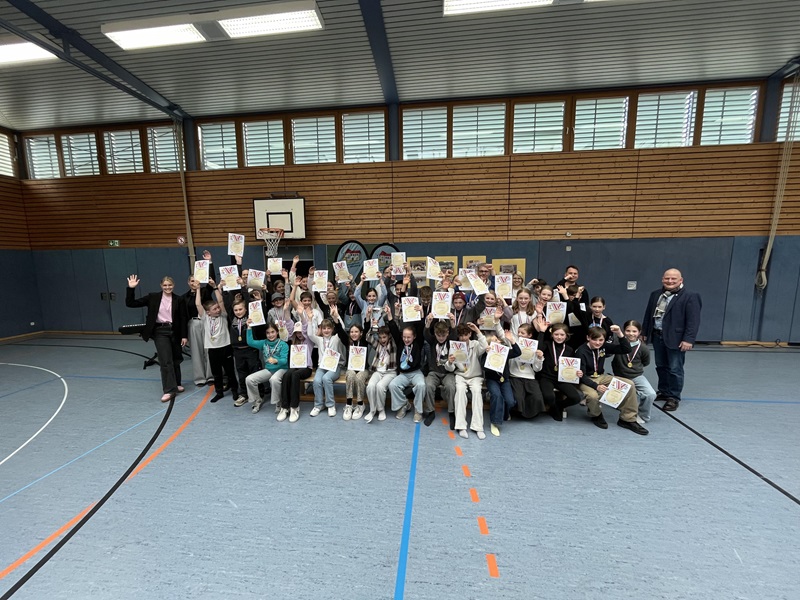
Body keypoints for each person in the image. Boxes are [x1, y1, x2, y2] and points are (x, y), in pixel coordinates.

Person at [641, 268, 702, 412]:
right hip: (657, 335)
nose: (670, 281)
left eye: (673, 279)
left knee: (675, 368)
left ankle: (674, 397)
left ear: (681, 280)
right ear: (662, 279)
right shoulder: (656, 294)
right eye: (667, 278)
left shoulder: (690, 296)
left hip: (676, 338)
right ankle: (664, 391)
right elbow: (648, 314)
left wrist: (689, 339)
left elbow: (693, 321)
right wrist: (644, 332)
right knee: (661, 366)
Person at [574, 326, 648, 435]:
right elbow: (582, 376)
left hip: (601, 376)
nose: (598, 343)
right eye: (595, 339)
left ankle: (627, 419)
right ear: (588, 338)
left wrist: (619, 333)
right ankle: (596, 415)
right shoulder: (581, 351)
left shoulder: (603, 346)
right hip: (585, 379)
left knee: (629, 384)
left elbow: (626, 349)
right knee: (593, 396)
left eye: (601, 340)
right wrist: (596, 386)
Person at [126, 275, 188, 402]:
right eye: (165, 285)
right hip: (160, 331)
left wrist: (184, 335)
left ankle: (176, 383)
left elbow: (183, 318)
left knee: (176, 358)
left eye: (170, 285)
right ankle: (169, 390)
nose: (167, 287)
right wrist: (131, 288)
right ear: (161, 286)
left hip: (174, 331)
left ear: (173, 285)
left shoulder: (179, 299)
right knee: (166, 360)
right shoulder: (153, 297)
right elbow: (131, 303)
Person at [196, 283, 239, 403]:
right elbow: (198, 304)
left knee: (230, 371)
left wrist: (215, 288)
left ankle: (235, 390)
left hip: (225, 347)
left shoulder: (223, 316)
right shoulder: (205, 318)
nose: (218, 309)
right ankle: (219, 392)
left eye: (218, 308)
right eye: (214, 309)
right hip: (212, 349)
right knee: (216, 373)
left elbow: (220, 301)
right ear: (208, 312)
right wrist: (198, 289)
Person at [612, 320, 657, 423]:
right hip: (620, 377)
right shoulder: (618, 343)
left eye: (634, 331)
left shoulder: (643, 348)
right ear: (623, 331)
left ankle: (643, 416)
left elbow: (645, 362)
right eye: (628, 331)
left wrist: (633, 369)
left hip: (636, 376)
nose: (631, 334)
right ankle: (621, 403)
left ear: (639, 332)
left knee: (650, 394)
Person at [245, 322, 289, 416]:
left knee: (274, 379)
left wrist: (276, 361)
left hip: (282, 369)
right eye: (268, 333)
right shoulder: (264, 343)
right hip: (269, 370)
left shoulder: (283, 344)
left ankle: (278, 402)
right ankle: (257, 400)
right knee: (249, 379)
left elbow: (284, 360)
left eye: (273, 332)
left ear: (277, 332)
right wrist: (249, 328)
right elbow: (250, 342)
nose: (270, 335)